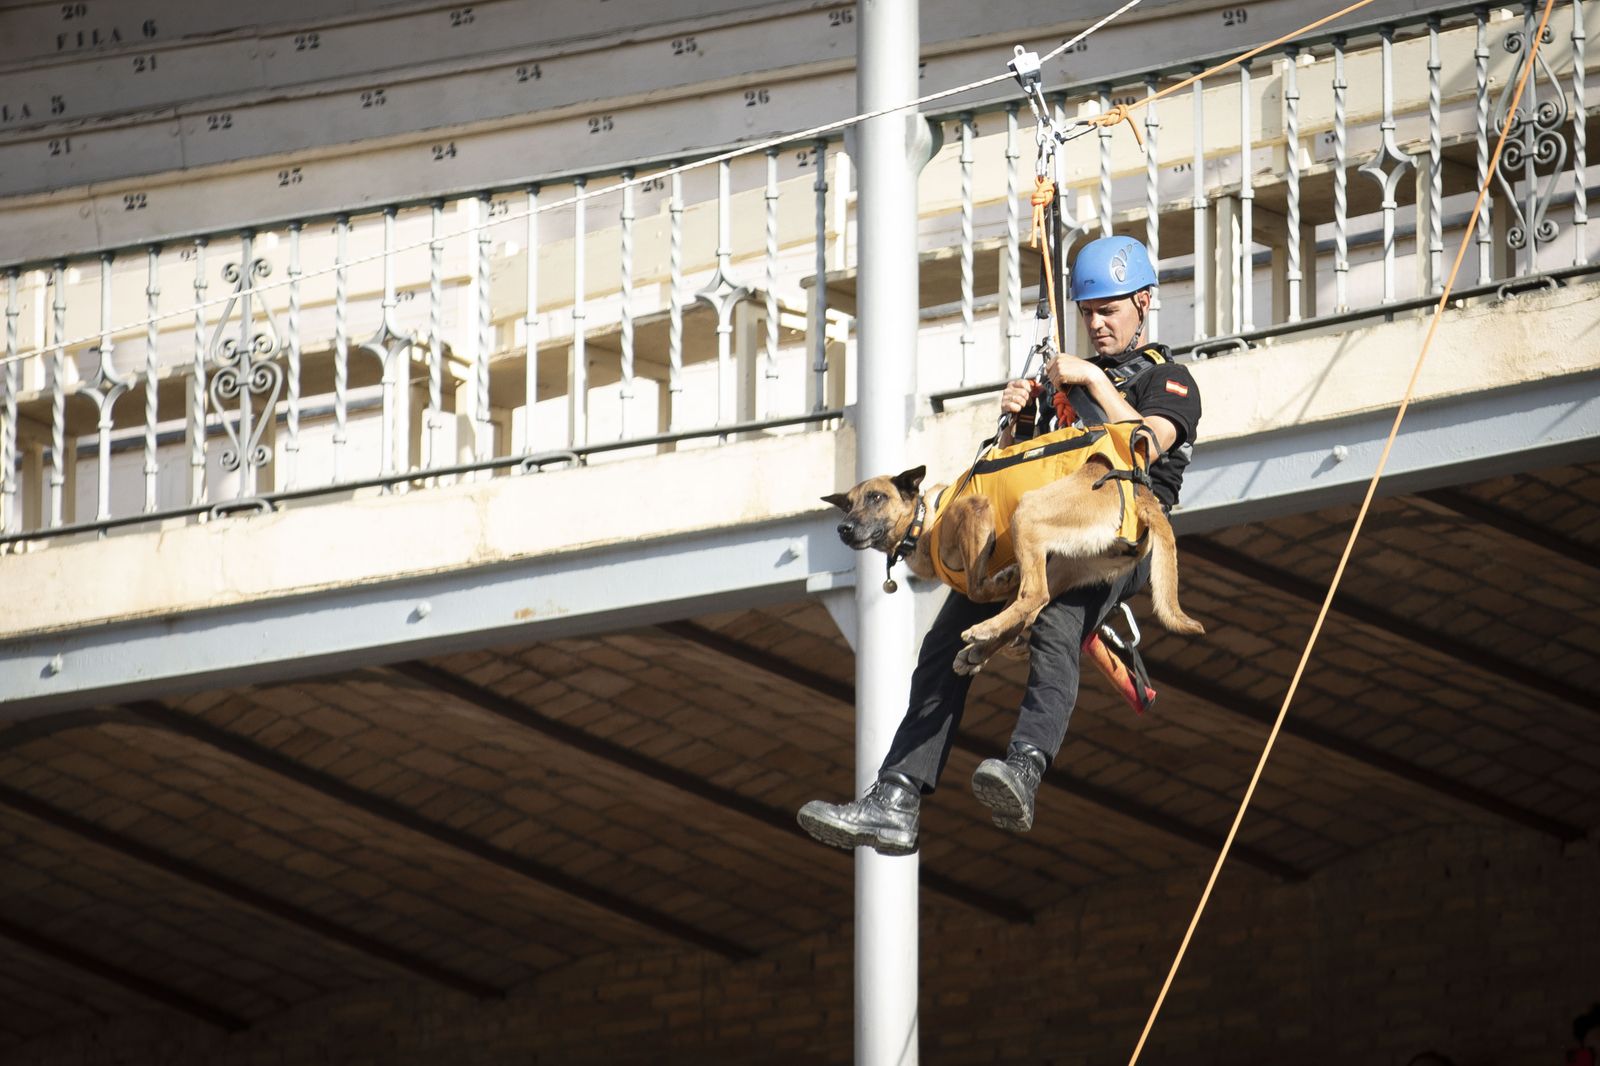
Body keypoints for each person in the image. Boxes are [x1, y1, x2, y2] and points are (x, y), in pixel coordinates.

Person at [797, 235, 1202, 855]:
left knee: (1058, 623)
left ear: (1143, 303)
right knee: (943, 641)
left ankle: (1025, 765)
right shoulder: (1058, 392)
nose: (1095, 324)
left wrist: (1091, 377)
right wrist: (1019, 417)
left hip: (1116, 531)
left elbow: (1145, 444)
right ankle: (896, 798)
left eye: (1109, 311)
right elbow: (1022, 476)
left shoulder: (1168, 380)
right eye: (1088, 313)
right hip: (1041, 530)